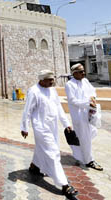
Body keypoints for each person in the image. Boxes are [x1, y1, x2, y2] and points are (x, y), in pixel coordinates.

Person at [21, 70, 79, 198]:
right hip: (40, 127)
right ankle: (64, 185)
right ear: (42, 80)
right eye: (49, 80)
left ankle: (35, 166)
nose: (52, 82)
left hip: (52, 126)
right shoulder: (34, 91)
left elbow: (58, 107)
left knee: (44, 149)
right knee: (53, 153)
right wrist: (25, 127)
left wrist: (66, 124)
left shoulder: (52, 90)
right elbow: (27, 111)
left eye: (53, 80)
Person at [65, 63, 103, 171]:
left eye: (83, 71)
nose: (84, 73)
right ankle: (89, 161)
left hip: (89, 113)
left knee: (89, 135)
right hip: (79, 115)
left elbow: (93, 91)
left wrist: (93, 98)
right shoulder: (69, 84)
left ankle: (80, 156)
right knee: (84, 138)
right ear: (75, 73)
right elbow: (72, 100)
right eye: (81, 72)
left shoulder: (85, 81)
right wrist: (87, 103)